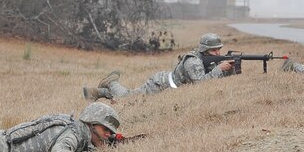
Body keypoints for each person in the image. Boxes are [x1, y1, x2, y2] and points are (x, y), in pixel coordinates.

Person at [83, 33, 234, 100]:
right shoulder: (193, 61)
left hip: (167, 86)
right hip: (160, 85)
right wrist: (219, 69)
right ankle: (111, 82)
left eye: (219, 49)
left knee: (131, 97)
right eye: (214, 50)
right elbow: (200, 83)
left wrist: (228, 69)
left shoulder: (207, 58)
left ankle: (97, 93)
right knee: (127, 99)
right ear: (204, 49)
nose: (217, 52)